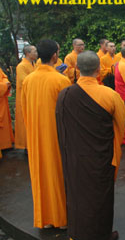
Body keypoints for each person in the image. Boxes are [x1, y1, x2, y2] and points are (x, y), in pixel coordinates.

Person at [56, 51, 125, 240]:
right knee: (99, 196)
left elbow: (61, 128)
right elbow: (120, 127)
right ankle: (99, 237)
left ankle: (77, 235)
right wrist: (114, 152)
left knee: (78, 194)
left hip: (75, 157)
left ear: (76, 68)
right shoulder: (110, 95)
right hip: (100, 157)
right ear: (98, 71)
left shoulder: (65, 94)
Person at [22, 39, 72, 228]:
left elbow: (25, 110)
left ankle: (45, 219)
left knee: (41, 175)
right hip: (55, 136)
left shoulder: (29, 80)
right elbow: (68, 114)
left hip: (36, 135)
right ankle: (60, 218)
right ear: (54, 56)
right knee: (57, 175)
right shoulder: (61, 80)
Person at [15, 45, 37, 150]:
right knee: (26, 122)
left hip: (34, 96)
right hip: (25, 98)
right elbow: (24, 82)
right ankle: (27, 146)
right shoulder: (21, 66)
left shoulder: (34, 64)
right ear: (28, 53)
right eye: (34, 51)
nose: (37, 53)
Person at [0, 68, 13, 159]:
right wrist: (4, 85)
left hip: (2, 101)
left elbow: (4, 77)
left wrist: (5, 83)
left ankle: (4, 145)